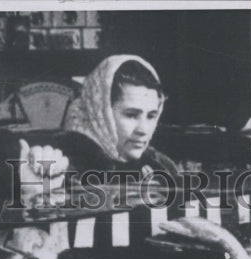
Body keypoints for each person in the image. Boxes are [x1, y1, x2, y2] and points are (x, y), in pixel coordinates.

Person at [17, 55, 179, 206]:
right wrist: (37, 195)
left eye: (151, 116)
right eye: (131, 115)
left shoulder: (160, 166)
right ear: (101, 112)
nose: (143, 129)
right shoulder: (60, 167)